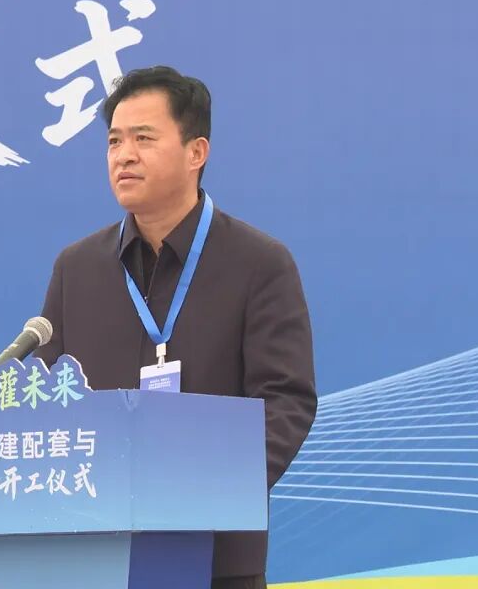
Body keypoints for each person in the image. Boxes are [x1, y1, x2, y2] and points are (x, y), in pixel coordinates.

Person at [34, 65, 317, 589]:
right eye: (114, 141)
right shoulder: (76, 269)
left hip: (213, 558)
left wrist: (211, 491)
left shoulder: (259, 263)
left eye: (143, 138)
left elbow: (286, 401)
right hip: (95, 556)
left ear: (196, 152)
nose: (124, 155)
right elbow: (47, 401)